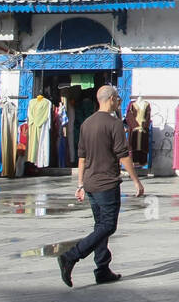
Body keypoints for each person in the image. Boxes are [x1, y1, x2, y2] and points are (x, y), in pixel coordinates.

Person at [58, 85, 145, 286]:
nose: (120, 102)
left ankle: (102, 269)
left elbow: (81, 157)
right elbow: (123, 155)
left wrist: (80, 184)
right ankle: (71, 256)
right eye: (118, 99)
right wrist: (136, 181)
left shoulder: (87, 123)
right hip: (107, 183)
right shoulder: (114, 124)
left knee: (100, 226)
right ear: (111, 99)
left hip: (90, 183)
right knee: (108, 225)